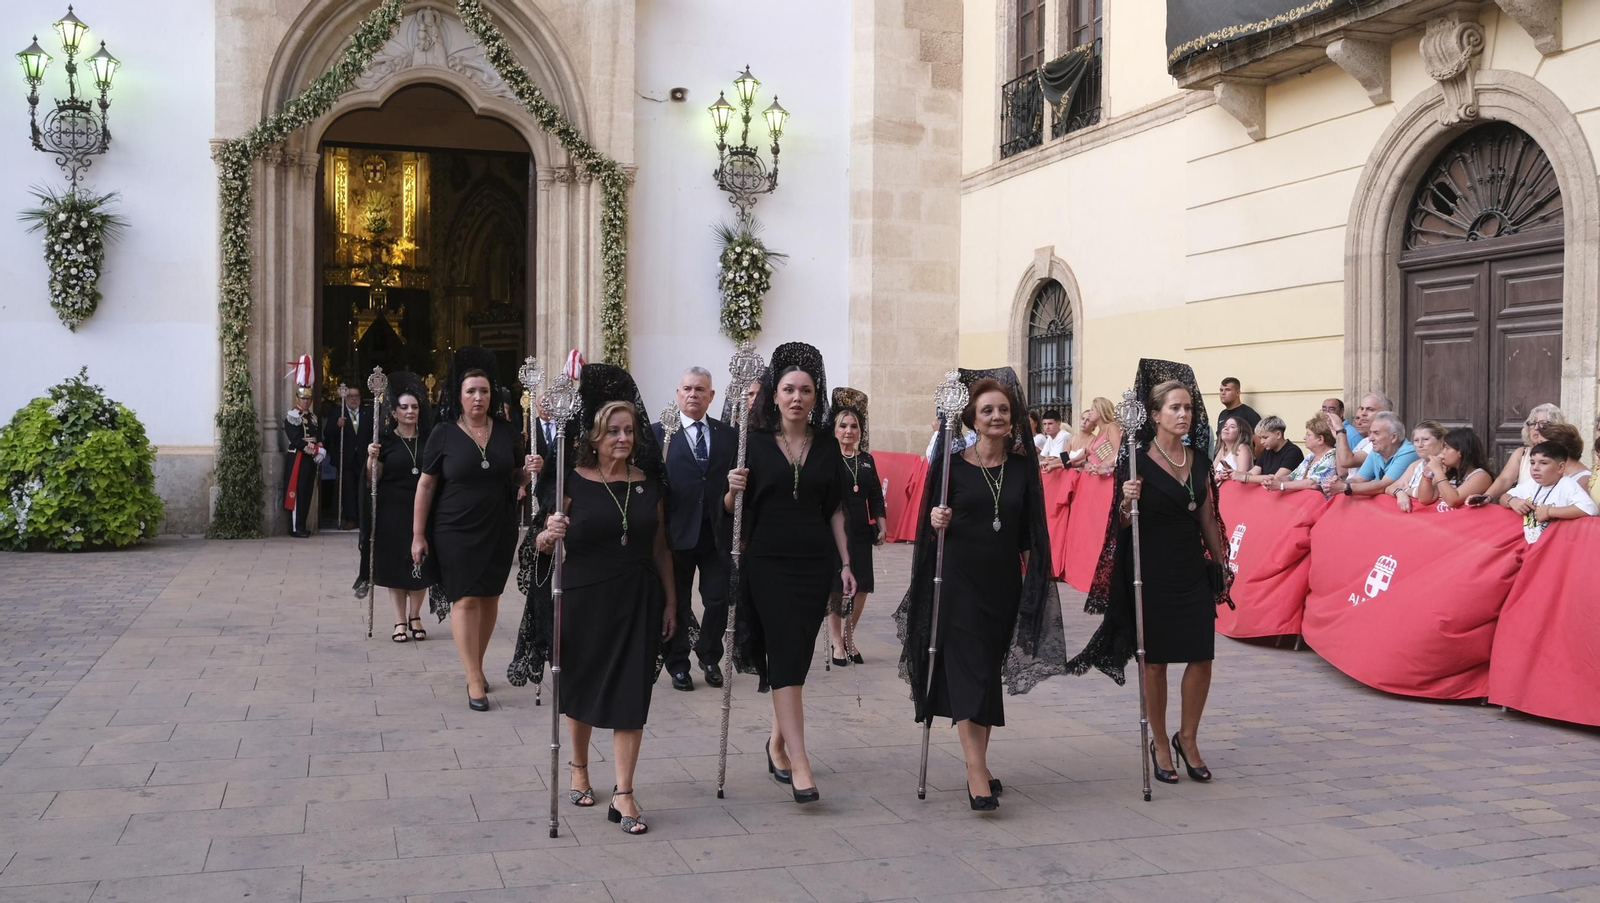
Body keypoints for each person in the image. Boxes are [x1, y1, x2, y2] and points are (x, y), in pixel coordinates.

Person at [510, 367, 676, 835]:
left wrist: (671, 603)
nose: (623, 439)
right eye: (613, 431)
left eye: (629, 431)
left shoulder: (648, 483)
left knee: (632, 692)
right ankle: (579, 766)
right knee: (581, 686)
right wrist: (548, 534)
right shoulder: (572, 481)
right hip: (583, 597)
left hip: (637, 598)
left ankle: (624, 792)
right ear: (595, 437)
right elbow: (537, 546)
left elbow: (661, 548)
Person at [896, 370, 1068, 810]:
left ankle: (981, 764)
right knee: (969, 670)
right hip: (957, 583)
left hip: (1002, 585)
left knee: (987, 675)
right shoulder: (951, 465)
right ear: (972, 417)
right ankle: (976, 772)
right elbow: (926, 528)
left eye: (1003, 410)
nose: (996, 416)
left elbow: (1030, 533)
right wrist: (935, 521)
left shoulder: (1022, 468)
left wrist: (1035, 585)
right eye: (987, 410)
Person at [1069, 360, 1232, 786]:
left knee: (1201, 655)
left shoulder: (1199, 460)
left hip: (1191, 568)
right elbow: (1121, 524)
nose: (1184, 414)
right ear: (1155, 414)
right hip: (1151, 570)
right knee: (1155, 661)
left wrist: (1220, 563)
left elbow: (1208, 518)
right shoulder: (1135, 460)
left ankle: (1187, 738)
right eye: (1175, 408)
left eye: (1188, 407)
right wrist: (1126, 500)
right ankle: (1160, 741)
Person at [720, 343, 855, 804]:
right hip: (768, 563)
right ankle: (800, 762)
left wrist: (847, 564)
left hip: (814, 564)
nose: (797, 397)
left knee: (796, 658)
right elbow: (730, 511)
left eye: (806, 390)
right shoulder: (752, 442)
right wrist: (732, 490)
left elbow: (835, 508)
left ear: (816, 397)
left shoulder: (828, 447)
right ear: (774, 395)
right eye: (788, 389)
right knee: (782, 654)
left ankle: (776, 743)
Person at [412, 347, 539, 712]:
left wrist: (529, 471)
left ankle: (477, 666)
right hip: (454, 528)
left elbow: (515, 476)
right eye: (471, 391)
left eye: (484, 391)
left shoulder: (507, 432)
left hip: (498, 526)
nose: (478, 397)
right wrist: (418, 535)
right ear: (459, 396)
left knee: (489, 598)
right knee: (465, 598)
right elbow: (426, 485)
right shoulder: (443, 433)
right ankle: (472, 677)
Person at [652, 366, 737, 692]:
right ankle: (678, 665)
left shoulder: (728, 435)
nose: (693, 395)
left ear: (711, 396)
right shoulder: (659, 434)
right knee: (677, 602)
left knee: (718, 598)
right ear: (677, 393)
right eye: (687, 389)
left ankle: (709, 655)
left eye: (700, 389)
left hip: (715, 533)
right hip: (675, 535)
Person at [362, 372, 439, 642]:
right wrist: (371, 458)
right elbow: (372, 480)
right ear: (394, 412)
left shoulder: (429, 439)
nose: (410, 411)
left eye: (414, 407)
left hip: (424, 509)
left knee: (420, 562)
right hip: (392, 511)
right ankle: (399, 620)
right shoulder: (384, 441)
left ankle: (415, 615)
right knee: (396, 564)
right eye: (404, 407)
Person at [826, 388, 886, 666]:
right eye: (843, 426)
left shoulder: (866, 460)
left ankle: (849, 637)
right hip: (835, 531)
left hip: (861, 530)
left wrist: (882, 525)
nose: (848, 431)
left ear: (860, 430)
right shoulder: (827, 458)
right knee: (836, 587)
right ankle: (836, 641)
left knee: (862, 586)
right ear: (835, 430)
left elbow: (876, 495)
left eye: (853, 426)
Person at [1501, 440, 1597, 543]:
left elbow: (1590, 509)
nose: (1535, 468)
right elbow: (1503, 497)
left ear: (1560, 467)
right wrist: (1512, 501)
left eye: (1543, 463)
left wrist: (1549, 512)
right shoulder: (1531, 484)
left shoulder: (1567, 485)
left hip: (1555, 544)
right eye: (1532, 463)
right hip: (1531, 544)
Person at [1478, 405, 1577, 502]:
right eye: (1533, 423)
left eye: (1543, 424)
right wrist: (1487, 496)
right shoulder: (1521, 453)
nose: (1536, 428)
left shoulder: (1562, 455)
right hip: (1520, 507)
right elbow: (1505, 479)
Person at [1327, 412, 1416, 498]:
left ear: (1393, 437)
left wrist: (1344, 487)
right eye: (1371, 433)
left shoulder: (1409, 453)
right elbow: (1358, 479)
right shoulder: (1377, 452)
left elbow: (1382, 486)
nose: (1370, 438)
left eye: (1376, 433)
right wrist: (1337, 484)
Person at [283, 354, 324, 538]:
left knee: (307, 491)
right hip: (298, 458)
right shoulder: (292, 416)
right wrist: (317, 450)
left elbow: (317, 436)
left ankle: (303, 525)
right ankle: (295, 527)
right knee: (298, 491)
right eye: (303, 398)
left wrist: (320, 447)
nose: (306, 401)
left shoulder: (313, 417)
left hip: (310, 460)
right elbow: (297, 441)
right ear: (297, 398)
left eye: (308, 399)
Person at [324, 383, 372, 530]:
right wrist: (337, 426)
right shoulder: (337, 413)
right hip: (346, 458)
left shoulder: (367, 413)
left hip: (363, 458)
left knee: (363, 489)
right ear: (345, 398)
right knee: (348, 490)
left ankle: (364, 519)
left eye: (356, 396)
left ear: (360, 398)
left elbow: (373, 434)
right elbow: (327, 434)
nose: (353, 399)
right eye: (350, 396)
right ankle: (352, 519)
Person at [1411, 427, 1493, 509]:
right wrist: (1428, 473)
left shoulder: (1481, 476)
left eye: (1447, 448)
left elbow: (1452, 500)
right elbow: (1424, 499)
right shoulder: (1447, 470)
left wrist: (1438, 471)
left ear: (1460, 452)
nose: (1443, 452)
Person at [1262, 415, 1337, 495]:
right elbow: (1291, 477)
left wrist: (1280, 485)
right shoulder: (1311, 456)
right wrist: (1273, 480)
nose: (1304, 438)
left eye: (1308, 435)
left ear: (1320, 439)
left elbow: (1312, 484)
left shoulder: (1332, 457)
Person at [1386, 421, 1444, 512]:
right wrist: (1400, 493)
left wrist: (1407, 490)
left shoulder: (1443, 464)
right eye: (1416, 440)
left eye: (1425, 439)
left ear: (1441, 441)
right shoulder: (1416, 464)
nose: (1420, 445)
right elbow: (1390, 487)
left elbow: (1425, 496)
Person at [1331, 392, 1392, 474]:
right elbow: (1342, 471)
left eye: (1370, 409)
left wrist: (1340, 431)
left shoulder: (1381, 441)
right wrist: (1338, 437)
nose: (1363, 413)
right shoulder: (1365, 441)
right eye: (1362, 408)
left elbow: (1347, 461)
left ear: (1385, 413)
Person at [1239, 415, 1303, 485]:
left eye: (1265, 437)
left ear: (1278, 434)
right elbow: (1253, 473)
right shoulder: (1267, 451)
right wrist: (1237, 474)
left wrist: (1245, 478)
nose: (1262, 442)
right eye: (1260, 438)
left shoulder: (1293, 452)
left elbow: (1276, 479)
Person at [1213, 412, 1254, 480]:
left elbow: (1242, 477)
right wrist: (1217, 477)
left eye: (1232, 427)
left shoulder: (1242, 448)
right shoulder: (1223, 449)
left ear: (1241, 433)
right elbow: (1211, 475)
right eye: (1225, 426)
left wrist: (1229, 475)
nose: (1226, 428)